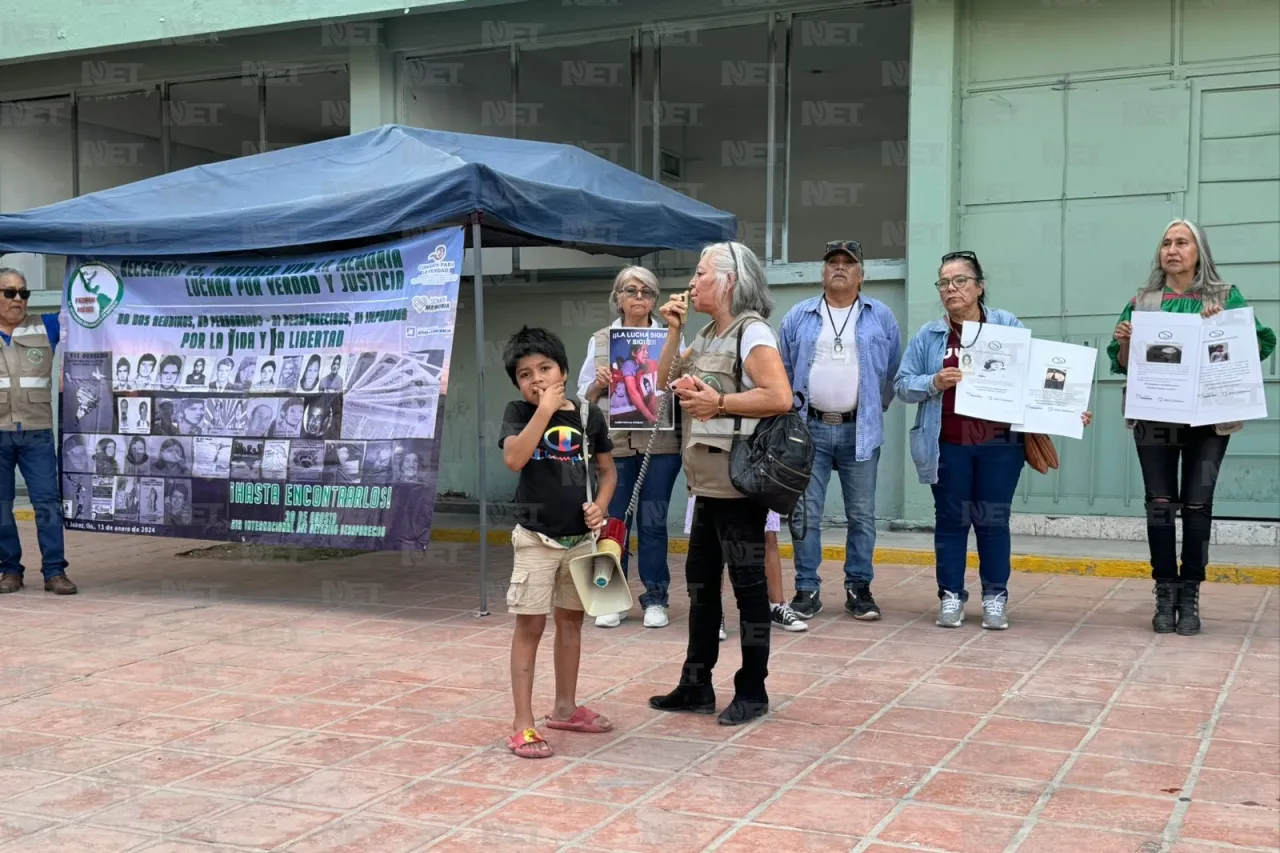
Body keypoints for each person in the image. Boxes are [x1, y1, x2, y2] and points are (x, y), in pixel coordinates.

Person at [895, 251, 1092, 630]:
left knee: (993, 521)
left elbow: (1037, 379)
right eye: (943, 282)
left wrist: (1067, 410)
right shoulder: (930, 335)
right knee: (951, 521)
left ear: (979, 287)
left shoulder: (1007, 325)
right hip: (948, 444)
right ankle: (950, 595)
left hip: (1000, 446)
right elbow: (902, 385)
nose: (950, 289)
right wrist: (933, 382)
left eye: (960, 281)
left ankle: (994, 597)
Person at [648, 241, 794, 726]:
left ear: (728, 281)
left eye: (701, 272)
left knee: (749, 590)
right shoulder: (710, 332)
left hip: (739, 489)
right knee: (701, 588)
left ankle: (753, 690)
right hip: (705, 488)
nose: (692, 282)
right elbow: (662, 381)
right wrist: (673, 331)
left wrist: (721, 405)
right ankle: (696, 683)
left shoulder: (752, 334)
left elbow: (779, 397)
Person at [1108, 219, 1275, 636]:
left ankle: (1191, 592)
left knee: (1199, 506)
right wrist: (1126, 338)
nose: (1173, 249)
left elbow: (1256, 346)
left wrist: (1221, 325)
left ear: (1200, 251)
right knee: (1160, 504)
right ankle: (1164, 591)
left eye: (1182, 242)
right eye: (1166, 242)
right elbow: (1124, 362)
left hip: (1208, 420)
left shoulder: (1224, 295)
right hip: (1155, 417)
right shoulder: (1143, 301)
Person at [500, 326, 617, 758]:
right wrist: (543, 412)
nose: (536, 380)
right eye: (525, 374)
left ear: (564, 371)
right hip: (535, 538)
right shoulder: (517, 412)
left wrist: (601, 507)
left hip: (580, 540)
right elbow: (514, 458)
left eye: (545, 369)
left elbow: (608, 472)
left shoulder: (589, 416)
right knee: (530, 624)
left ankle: (565, 707)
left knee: (572, 622)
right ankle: (523, 722)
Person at [777, 240, 902, 621]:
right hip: (808, 429)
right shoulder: (799, 315)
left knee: (862, 514)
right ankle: (806, 589)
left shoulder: (881, 316)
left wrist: (870, 411)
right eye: (833, 261)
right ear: (822, 271)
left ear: (862, 275)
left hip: (859, 431)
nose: (840, 267)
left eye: (849, 263)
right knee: (805, 513)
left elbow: (891, 373)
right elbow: (781, 368)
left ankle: (859, 587)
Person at [577, 266, 684, 629]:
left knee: (653, 522)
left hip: (661, 444)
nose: (639, 298)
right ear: (617, 297)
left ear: (655, 299)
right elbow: (583, 398)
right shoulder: (601, 340)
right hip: (615, 446)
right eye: (631, 290)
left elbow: (683, 384)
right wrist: (598, 384)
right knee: (612, 522)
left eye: (647, 292)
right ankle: (610, 597)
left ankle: (656, 598)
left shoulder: (671, 335)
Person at [0, 268, 77, 594]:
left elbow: (82, 311)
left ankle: (54, 571)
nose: (18, 299)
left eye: (23, 292)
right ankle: (9, 570)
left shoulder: (44, 326)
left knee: (47, 503)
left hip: (37, 432)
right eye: (9, 292)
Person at [683, 494, 807, 634]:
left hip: (754, 479)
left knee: (768, 535)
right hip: (714, 480)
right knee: (714, 540)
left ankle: (776, 607)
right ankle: (713, 614)